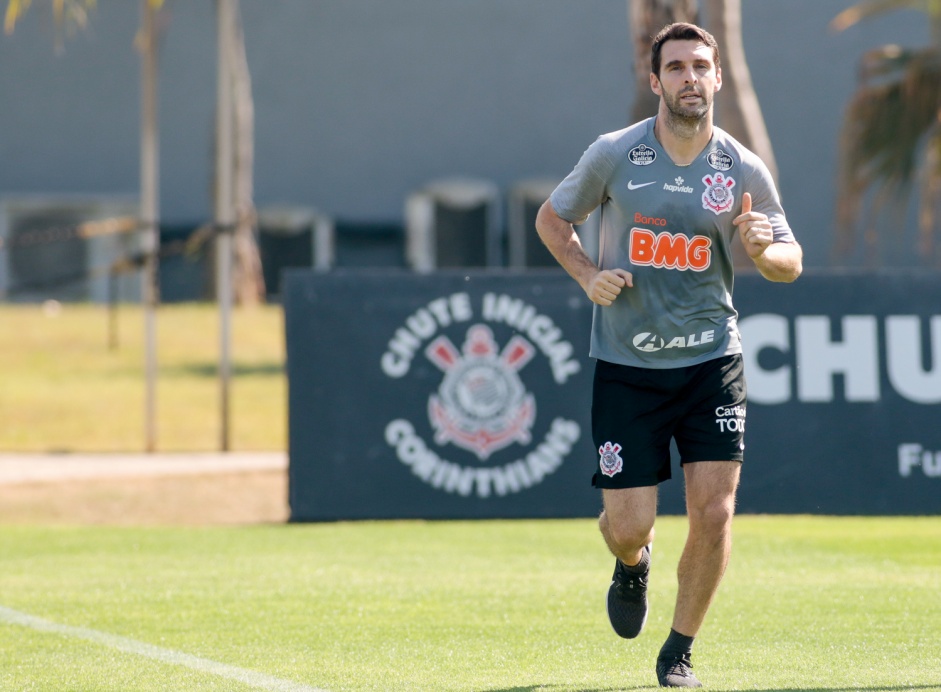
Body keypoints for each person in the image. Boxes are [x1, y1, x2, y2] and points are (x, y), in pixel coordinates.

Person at [535, 22, 802, 688]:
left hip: (712, 360)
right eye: (676, 67)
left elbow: (788, 262)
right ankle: (631, 565)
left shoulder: (739, 167)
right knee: (629, 526)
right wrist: (584, 274)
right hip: (627, 369)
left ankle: (678, 650)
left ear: (717, 77)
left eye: (700, 66)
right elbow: (552, 218)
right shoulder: (614, 154)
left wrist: (764, 250)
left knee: (714, 512)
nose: (690, 78)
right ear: (655, 81)